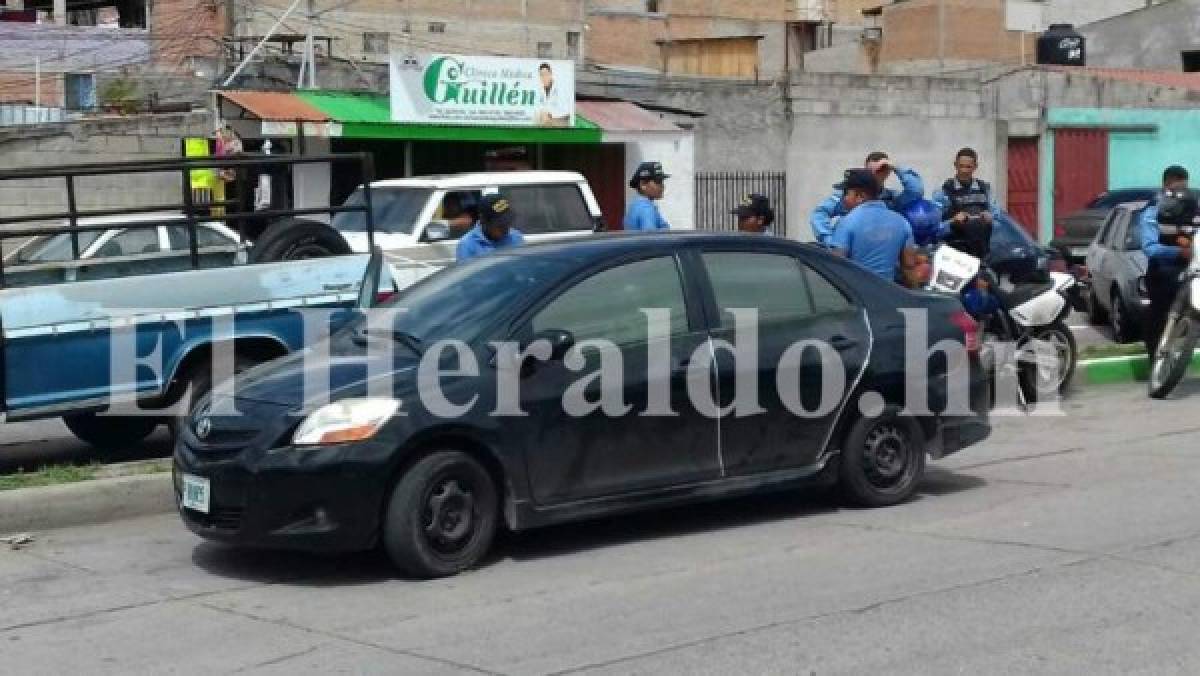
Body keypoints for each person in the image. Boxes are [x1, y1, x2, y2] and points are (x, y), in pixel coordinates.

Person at [810, 151, 924, 246]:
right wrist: (829, 240)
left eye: (880, 170)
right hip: (851, 251)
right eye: (869, 171)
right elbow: (820, 213)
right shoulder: (848, 195)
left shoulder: (890, 198)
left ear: (887, 173)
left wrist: (895, 167)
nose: (874, 175)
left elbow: (916, 191)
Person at [1140, 165, 1194, 355]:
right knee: (1159, 318)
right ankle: (1156, 360)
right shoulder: (1153, 209)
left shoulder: (1190, 207)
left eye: (1184, 188)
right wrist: (1178, 252)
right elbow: (1149, 248)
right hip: (1162, 274)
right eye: (1176, 188)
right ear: (1166, 185)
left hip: (1190, 271)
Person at [829, 169, 918, 284]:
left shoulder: (847, 222)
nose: (843, 199)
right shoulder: (902, 222)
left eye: (846, 193)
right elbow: (909, 266)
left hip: (857, 295)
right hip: (888, 295)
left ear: (860, 196)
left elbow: (836, 266)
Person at [932, 147, 998, 260]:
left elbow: (999, 222)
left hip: (981, 254)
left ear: (975, 167)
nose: (964, 170)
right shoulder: (943, 191)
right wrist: (952, 222)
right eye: (961, 166)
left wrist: (990, 219)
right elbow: (934, 227)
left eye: (968, 167)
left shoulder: (985, 189)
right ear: (955, 165)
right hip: (954, 255)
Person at [456, 192, 525, 262]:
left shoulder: (516, 237)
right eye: (500, 225)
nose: (506, 229)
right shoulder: (467, 245)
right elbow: (467, 272)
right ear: (483, 221)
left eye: (508, 223)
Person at [624, 161, 670, 231]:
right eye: (658, 181)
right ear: (643, 184)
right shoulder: (646, 209)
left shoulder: (635, 206)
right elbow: (651, 239)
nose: (662, 186)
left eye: (662, 181)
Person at [536, 63, 571, 127]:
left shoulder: (560, 88)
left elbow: (566, 109)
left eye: (546, 74)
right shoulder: (541, 89)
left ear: (550, 74)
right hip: (547, 119)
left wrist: (550, 114)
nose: (544, 77)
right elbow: (540, 106)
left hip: (561, 119)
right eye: (541, 75)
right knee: (536, 118)